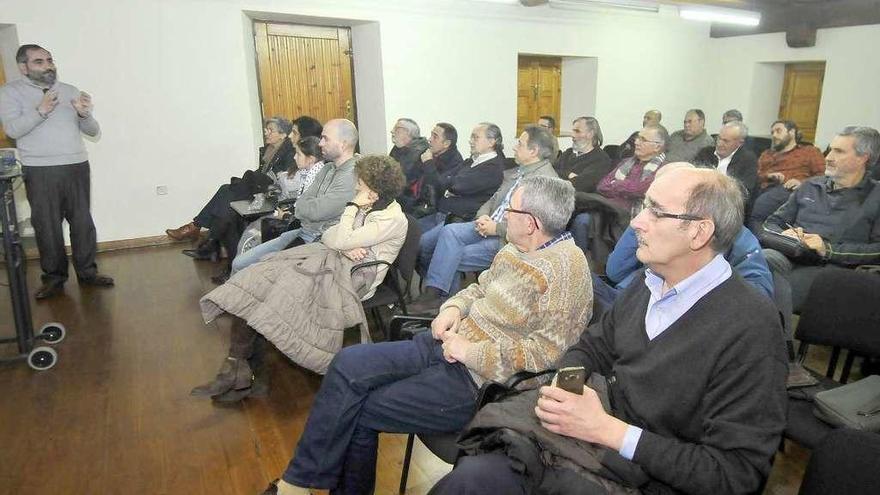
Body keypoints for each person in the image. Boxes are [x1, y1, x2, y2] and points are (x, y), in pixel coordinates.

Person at [431, 167, 787, 495]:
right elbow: (592, 347)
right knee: (472, 475)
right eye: (643, 207)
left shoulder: (751, 328)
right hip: (595, 442)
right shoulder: (648, 285)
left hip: (649, 474)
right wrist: (567, 392)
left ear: (699, 231)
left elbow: (734, 473)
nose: (637, 223)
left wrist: (608, 431)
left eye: (655, 212)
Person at [269, 176, 593, 495]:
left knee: (361, 410)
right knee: (347, 362)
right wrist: (452, 308)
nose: (504, 214)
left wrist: (470, 351)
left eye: (512, 209)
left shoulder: (565, 272)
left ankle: (301, 485)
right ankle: (297, 482)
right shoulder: (515, 247)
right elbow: (479, 288)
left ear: (532, 223)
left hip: (479, 383)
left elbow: (543, 357)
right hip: (444, 347)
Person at [195, 154, 409, 401]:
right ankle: (236, 363)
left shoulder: (391, 217)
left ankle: (241, 368)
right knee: (258, 276)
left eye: (360, 181)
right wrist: (345, 242)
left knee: (280, 289)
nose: (356, 185)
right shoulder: (368, 204)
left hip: (356, 276)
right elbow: (330, 235)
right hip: (333, 257)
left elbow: (339, 238)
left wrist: (348, 219)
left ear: (375, 187)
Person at [0, 44, 113, 299]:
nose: (48, 65)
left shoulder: (70, 90)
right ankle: (54, 278)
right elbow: (13, 131)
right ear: (23, 67)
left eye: (49, 60)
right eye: (39, 61)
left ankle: (87, 273)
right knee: (47, 226)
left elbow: (93, 131)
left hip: (76, 166)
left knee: (83, 222)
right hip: (40, 169)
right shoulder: (9, 93)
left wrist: (84, 115)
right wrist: (40, 110)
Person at [412, 125, 558, 311]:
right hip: (487, 224)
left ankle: (446, 305)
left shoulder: (546, 182)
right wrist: (482, 217)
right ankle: (437, 295)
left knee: (450, 255)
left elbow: (534, 227)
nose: (514, 147)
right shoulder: (516, 172)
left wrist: (495, 228)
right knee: (449, 232)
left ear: (533, 150)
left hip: (509, 240)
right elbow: (493, 200)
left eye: (520, 144)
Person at [762, 126, 880, 312]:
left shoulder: (876, 196)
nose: (828, 157)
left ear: (863, 157)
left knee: (783, 289)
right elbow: (771, 223)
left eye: (838, 151)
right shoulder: (810, 186)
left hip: (834, 267)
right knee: (755, 265)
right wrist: (786, 235)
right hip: (792, 254)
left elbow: (877, 250)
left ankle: (775, 337)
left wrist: (828, 249)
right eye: (830, 149)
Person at [228, 118, 358, 273]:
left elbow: (317, 211)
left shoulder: (353, 174)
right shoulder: (327, 168)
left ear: (342, 144)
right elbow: (302, 202)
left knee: (256, 271)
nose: (320, 143)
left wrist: (304, 206)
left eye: (325, 139)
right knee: (239, 263)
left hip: (318, 241)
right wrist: (305, 206)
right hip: (303, 231)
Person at [235, 136, 327, 264]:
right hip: (299, 226)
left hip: (304, 231)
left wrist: (285, 216)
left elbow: (308, 213)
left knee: (245, 253)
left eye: (298, 154)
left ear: (311, 159)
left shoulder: (317, 179)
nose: (294, 158)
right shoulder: (311, 173)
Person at [417, 123, 505, 238]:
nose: (470, 141)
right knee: (409, 230)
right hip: (442, 212)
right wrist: (449, 186)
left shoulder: (493, 168)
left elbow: (456, 186)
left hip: (457, 219)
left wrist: (429, 163)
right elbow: (443, 183)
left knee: (421, 243)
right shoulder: (472, 160)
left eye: (475, 137)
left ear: (491, 142)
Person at [749, 120, 825, 230]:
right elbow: (756, 175)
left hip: (789, 190)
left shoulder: (809, 152)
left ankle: (760, 242)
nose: (774, 135)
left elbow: (823, 176)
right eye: (772, 132)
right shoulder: (767, 154)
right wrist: (769, 176)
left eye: (778, 131)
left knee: (760, 209)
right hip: (762, 188)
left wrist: (802, 183)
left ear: (792, 132)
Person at [693, 120, 759, 210]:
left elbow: (744, 192)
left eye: (725, 141)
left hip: (728, 207)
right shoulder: (705, 153)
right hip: (699, 201)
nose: (719, 143)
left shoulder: (748, 160)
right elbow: (693, 177)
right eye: (719, 138)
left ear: (740, 143)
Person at [401, 122, 465, 215]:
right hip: (411, 199)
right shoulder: (427, 152)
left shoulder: (456, 163)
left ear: (446, 144)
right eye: (431, 135)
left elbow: (438, 187)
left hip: (430, 208)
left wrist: (428, 163)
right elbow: (410, 176)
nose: (429, 139)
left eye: (435, 137)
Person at [553, 116, 613, 190]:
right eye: (573, 131)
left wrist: (560, 174)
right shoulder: (569, 153)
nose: (572, 135)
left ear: (590, 134)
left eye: (577, 131)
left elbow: (579, 184)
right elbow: (550, 170)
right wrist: (568, 174)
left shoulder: (601, 159)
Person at [389, 117, 429, 190]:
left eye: (397, 129)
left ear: (408, 133)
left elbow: (403, 179)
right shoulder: (398, 148)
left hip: (409, 197)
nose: (392, 131)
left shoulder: (420, 152)